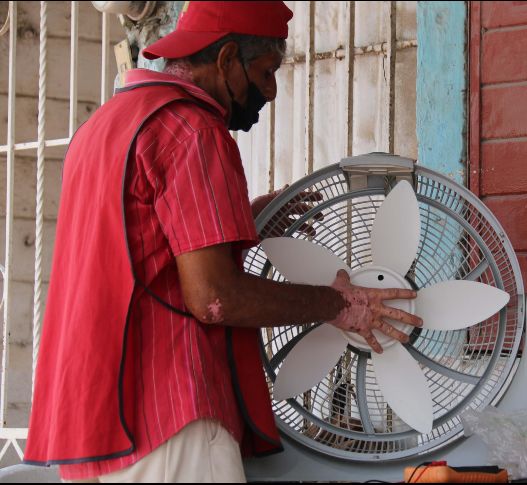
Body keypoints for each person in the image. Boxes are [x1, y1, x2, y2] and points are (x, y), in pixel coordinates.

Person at [24, 2, 422, 482]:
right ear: (227, 58)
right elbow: (215, 298)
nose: (271, 91)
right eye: (267, 71)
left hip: (96, 425)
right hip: (169, 419)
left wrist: (236, 226)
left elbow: (138, 248)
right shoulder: (194, 128)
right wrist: (341, 304)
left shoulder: (106, 125)